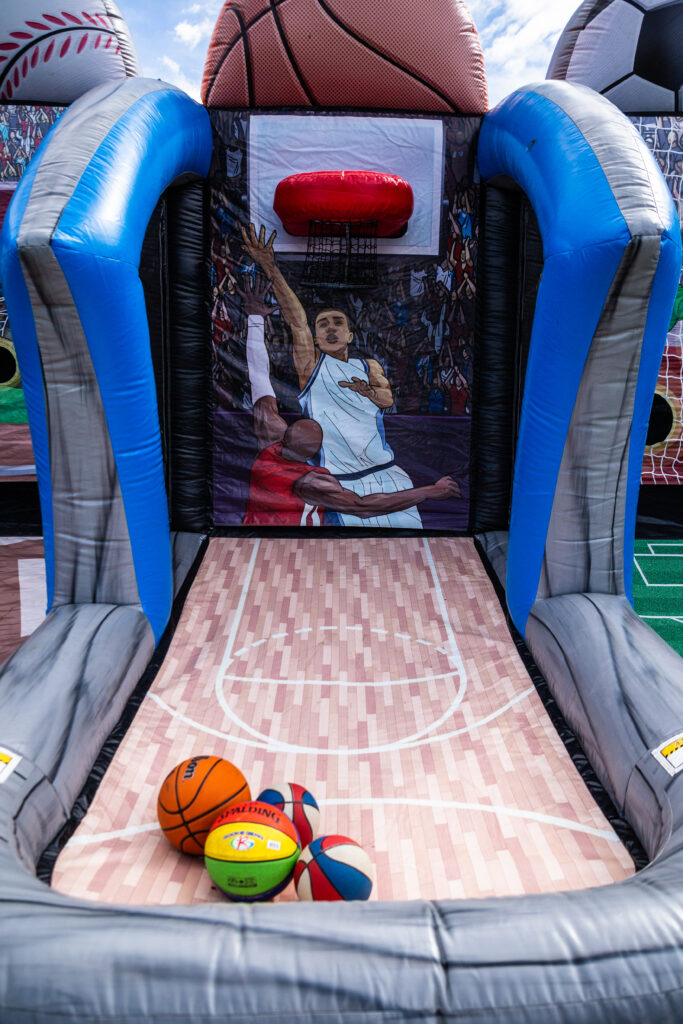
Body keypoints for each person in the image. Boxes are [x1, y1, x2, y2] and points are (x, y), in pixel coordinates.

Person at [240, 223, 426, 528]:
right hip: (341, 483)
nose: (330, 327)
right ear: (315, 338)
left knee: (411, 549)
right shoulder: (311, 368)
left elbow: (386, 399)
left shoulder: (369, 366)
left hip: (388, 474)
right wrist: (270, 267)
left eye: (337, 322)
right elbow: (297, 321)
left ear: (350, 335)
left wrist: (368, 391)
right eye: (323, 324)